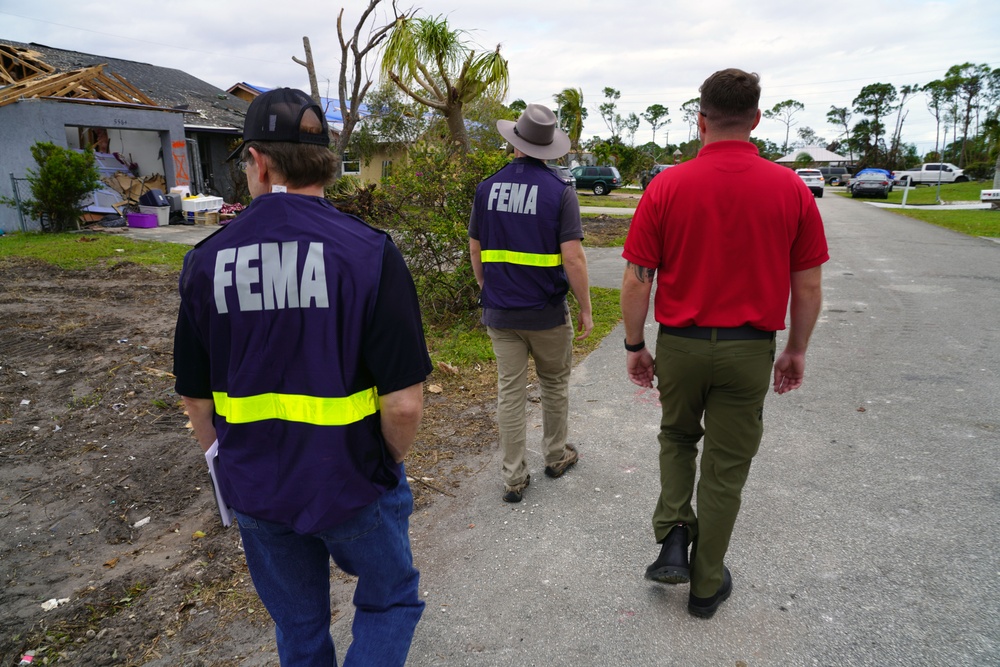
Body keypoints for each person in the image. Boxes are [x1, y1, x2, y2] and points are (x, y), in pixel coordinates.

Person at [173, 87, 431, 666]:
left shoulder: (206, 259)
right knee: (390, 603)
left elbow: (196, 398)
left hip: (258, 488)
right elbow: (405, 404)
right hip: (353, 480)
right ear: (326, 163)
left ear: (259, 162)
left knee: (298, 623)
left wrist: (233, 468)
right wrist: (385, 465)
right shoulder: (369, 251)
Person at [620, 69, 828, 619]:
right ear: (757, 119)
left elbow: (638, 278)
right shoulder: (791, 189)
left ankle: (671, 535)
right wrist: (797, 349)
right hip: (747, 350)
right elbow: (807, 286)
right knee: (726, 468)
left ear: (701, 119)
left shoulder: (666, 186)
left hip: (683, 346)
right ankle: (706, 585)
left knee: (677, 436)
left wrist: (634, 345)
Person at [469, 103, 593, 503]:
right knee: (554, 384)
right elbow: (572, 257)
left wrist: (488, 287)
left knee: (510, 390)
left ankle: (513, 477)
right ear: (549, 146)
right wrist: (587, 308)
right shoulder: (560, 192)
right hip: (547, 314)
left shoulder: (487, 188)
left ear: (515, 142)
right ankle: (556, 456)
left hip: (501, 311)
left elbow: (476, 248)